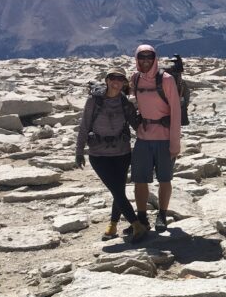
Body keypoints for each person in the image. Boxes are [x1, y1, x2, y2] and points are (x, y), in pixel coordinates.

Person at [75, 67, 146, 243]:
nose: (116, 81)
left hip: (122, 153)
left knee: (118, 190)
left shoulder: (125, 103)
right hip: (98, 154)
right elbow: (84, 126)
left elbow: (137, 126)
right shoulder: (94, 101)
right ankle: (136, 224)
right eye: (113, 77)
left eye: (120, 79)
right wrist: (79, 151)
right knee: (116, 189)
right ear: (107, 80)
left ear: (124, 83)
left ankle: (113, 225)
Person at [130, 44, 181, 233]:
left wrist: (175, 143)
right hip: (143, 137)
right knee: (139, 179)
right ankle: (141, 217)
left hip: (164, 138)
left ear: (154, 59)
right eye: (141, 57)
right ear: (137, 59)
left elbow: (175, 112)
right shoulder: (135, 79)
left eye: (148, 57)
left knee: (164, 178)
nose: (145, 61)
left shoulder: (166, 80)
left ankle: (162, 214)